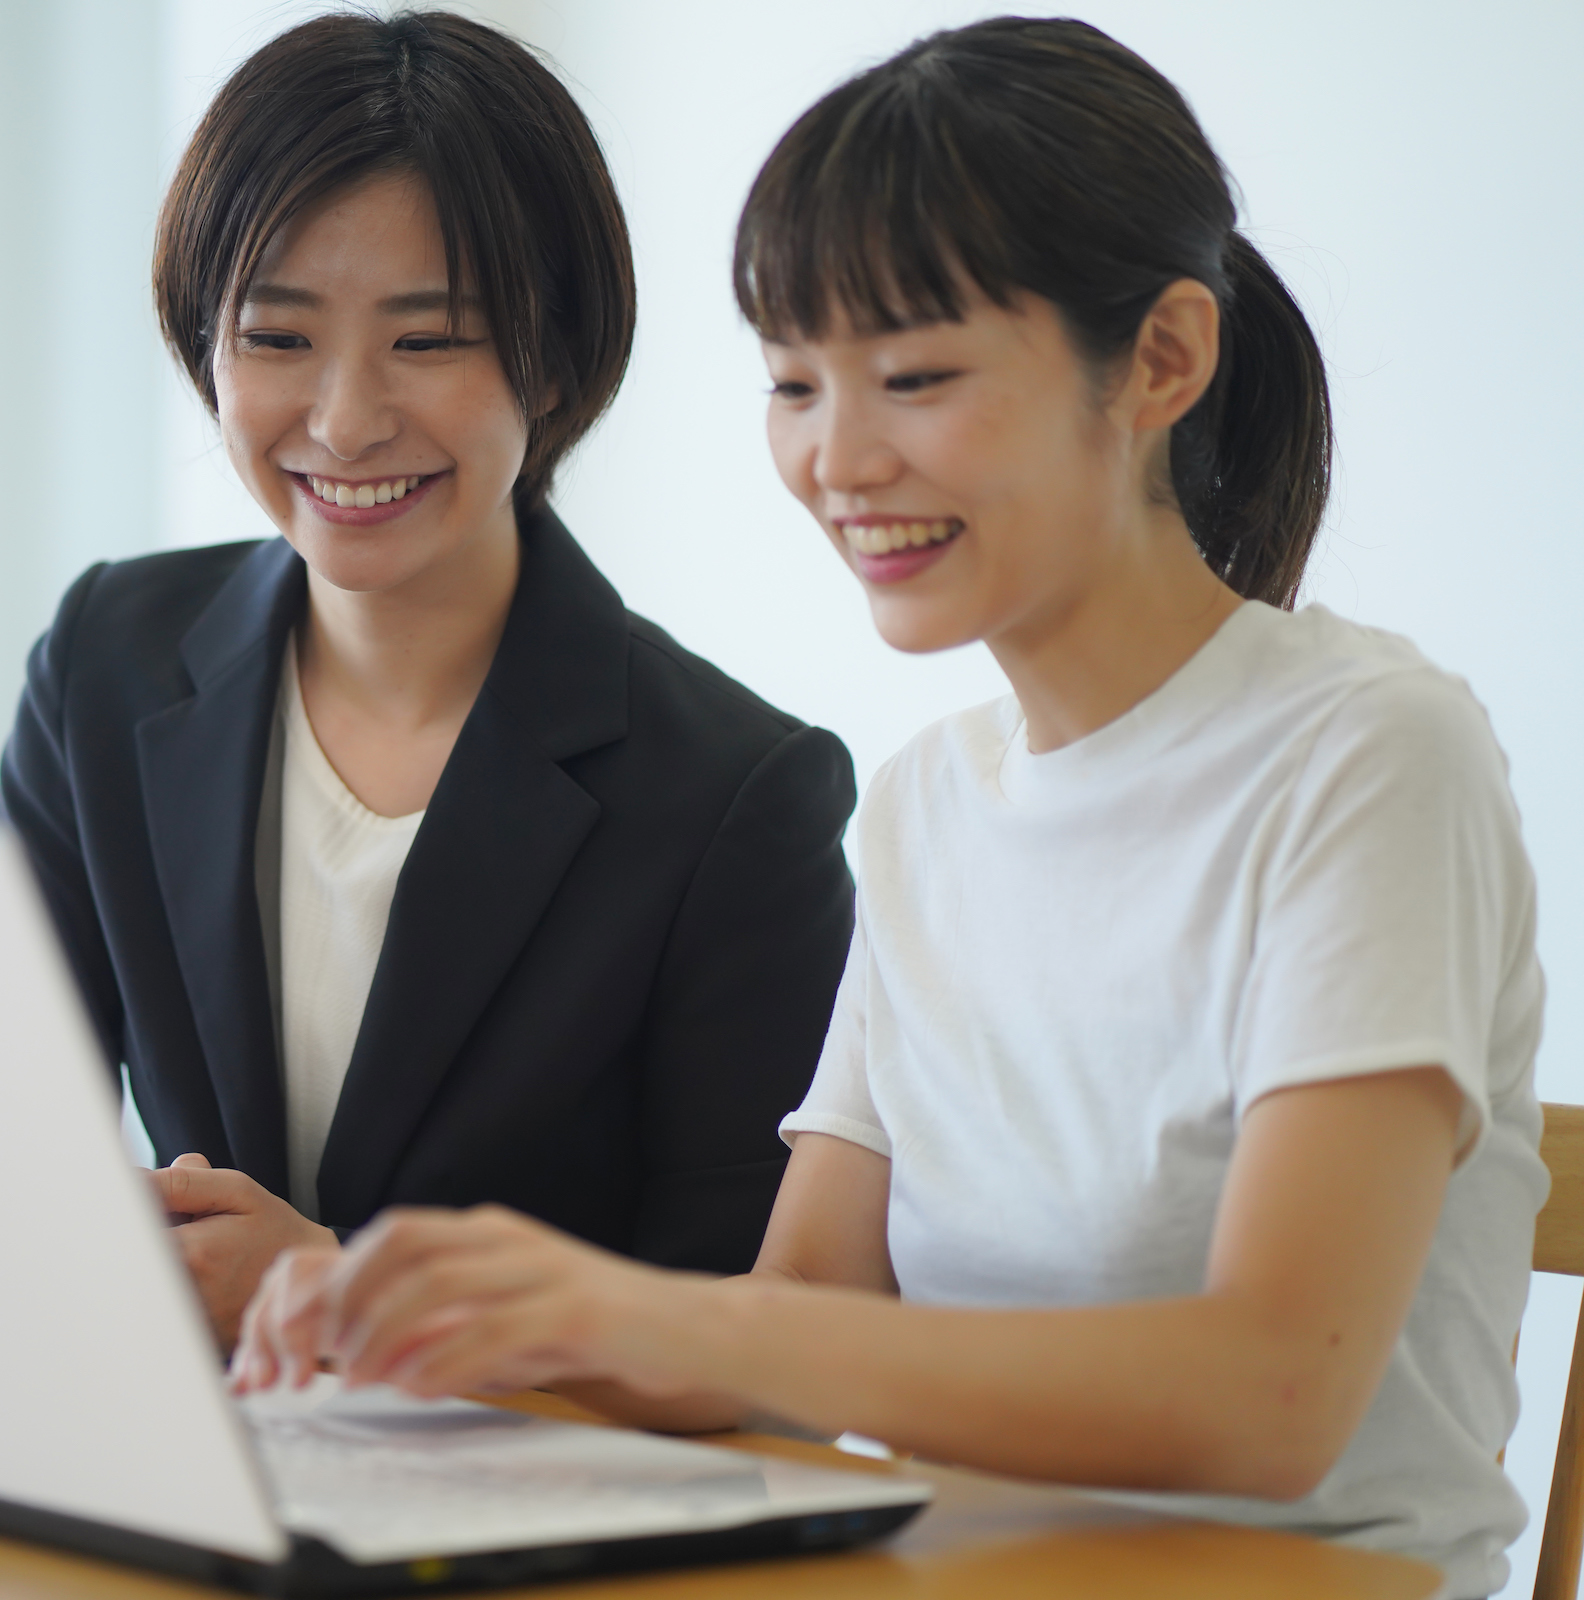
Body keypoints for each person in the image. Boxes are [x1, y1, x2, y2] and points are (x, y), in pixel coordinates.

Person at [230, 18, 1546, 1597]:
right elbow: (782, 1336)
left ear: (1164, 360)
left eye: (914, 378)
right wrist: (454, 1301)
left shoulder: (1370, 754)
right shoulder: (934, 805)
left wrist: (657, 1315)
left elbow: (1270, 1397)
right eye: (795, 383)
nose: (837, 459)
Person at [0, 11, 857, 1350]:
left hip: (538, 1518)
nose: (343, 420)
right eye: (277, 339)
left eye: (430, 338)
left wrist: (345, 1298)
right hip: (178, 1475)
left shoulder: (736, 793)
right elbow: (0, 1131)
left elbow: (751, 1342)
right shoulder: (105, 663)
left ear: (555, 357)